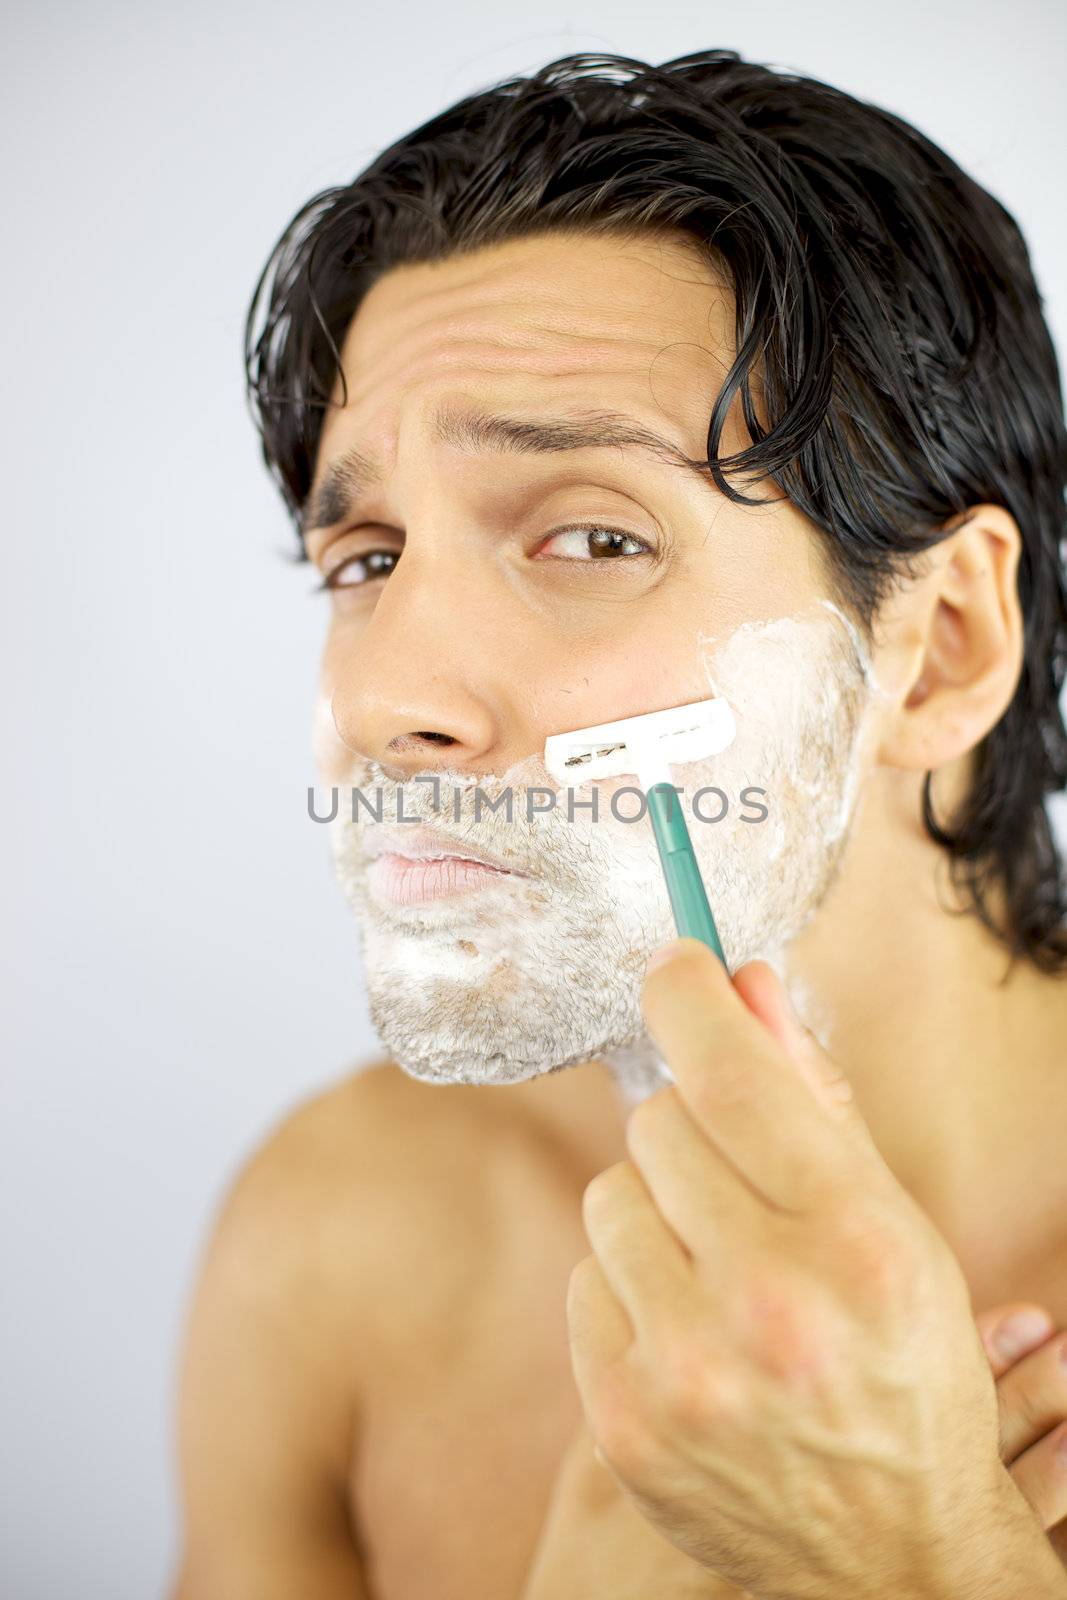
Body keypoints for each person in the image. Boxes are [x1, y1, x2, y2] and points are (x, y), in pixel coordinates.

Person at [171, 49, 1067, 1598]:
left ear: (945, 647)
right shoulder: (338, 1241)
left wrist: (931, 1565)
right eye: (368, 559)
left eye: (592, 534)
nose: (386, 703)